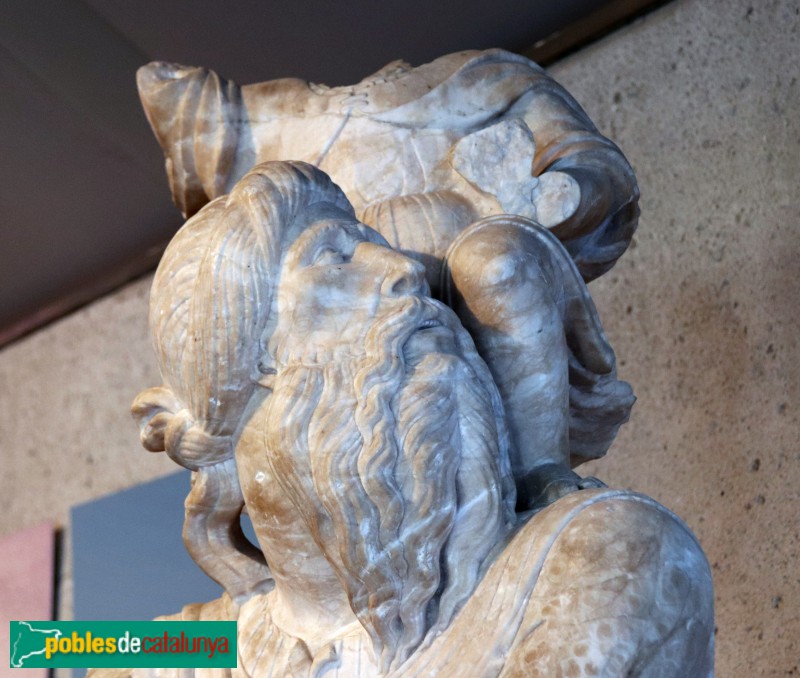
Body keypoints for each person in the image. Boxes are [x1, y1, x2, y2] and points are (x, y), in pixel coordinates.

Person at [120, 162, 712, 677]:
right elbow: (38, 647)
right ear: (247, 357)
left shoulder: (600, 561)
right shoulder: (177, 652)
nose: (403, 267)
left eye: (374, 242)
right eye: (333, 258)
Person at [137, 49, 639, 509]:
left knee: (496, 265)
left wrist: (555, 196)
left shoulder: (484, 79)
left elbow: (596, 171)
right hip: (350, 303)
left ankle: (539, 473)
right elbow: (170, 96)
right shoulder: (264, 120)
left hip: (474, 252)